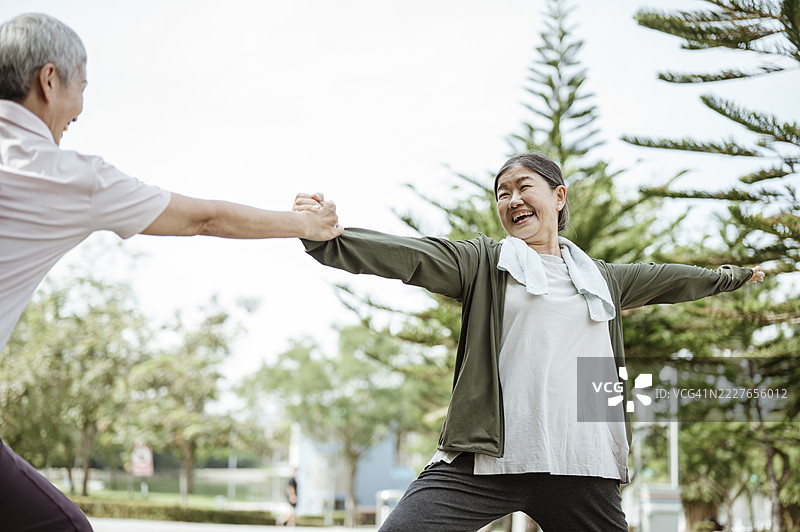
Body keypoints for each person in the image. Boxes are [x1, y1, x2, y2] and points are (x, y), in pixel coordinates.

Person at [294, 153, 765, 531]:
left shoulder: (604, 280)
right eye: (502, 193)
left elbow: (670, 280)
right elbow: (410, 257)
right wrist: (329, 238)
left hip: (580, 466)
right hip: (486, 459)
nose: (512, 199)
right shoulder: (482, 263)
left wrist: (731, 278)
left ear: (558, 197)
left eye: (524, 187)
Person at [0, 13, 341, 532]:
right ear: (49, 80)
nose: (80, 109)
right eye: (82, 87)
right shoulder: (66, 176)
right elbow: (204, 218)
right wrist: (306, 224)